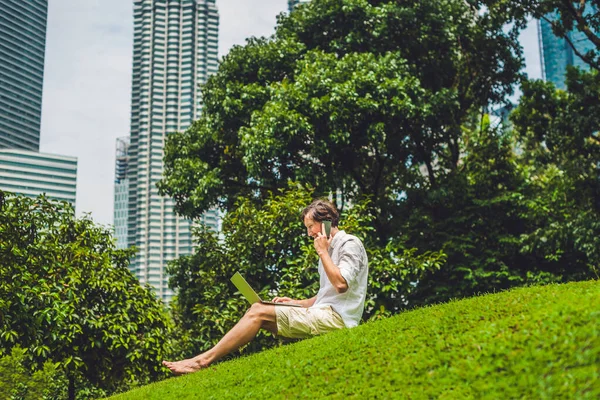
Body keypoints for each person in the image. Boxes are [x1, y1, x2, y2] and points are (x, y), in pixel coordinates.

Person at [162, 199, 369, 375]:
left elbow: (341, 285)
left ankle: (201, 362)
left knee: (259, 313)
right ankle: (205, 360)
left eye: (310, 227)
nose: (308, 234)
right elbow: (324, 296)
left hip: (339, 320)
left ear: (325, 222)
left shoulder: (349, 244)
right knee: (258, 310)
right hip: (323, 312)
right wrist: (294, 303)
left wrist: (323, 253)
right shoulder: (326, 251)